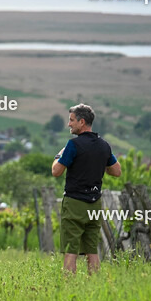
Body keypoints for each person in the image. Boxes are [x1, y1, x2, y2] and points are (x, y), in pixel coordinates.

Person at [51, 103, 121, 274]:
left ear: (82, 122)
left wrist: (59, 155)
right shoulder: (104, 145)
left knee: (70, 249)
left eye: (71, 120)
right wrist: (98, 162)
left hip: (75, 203)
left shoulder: (73, 146)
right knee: (91, 249)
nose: (69, 124)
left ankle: (70, 287)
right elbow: (116, 171)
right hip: (95, 202)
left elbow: (56, 171)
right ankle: (94, 285)